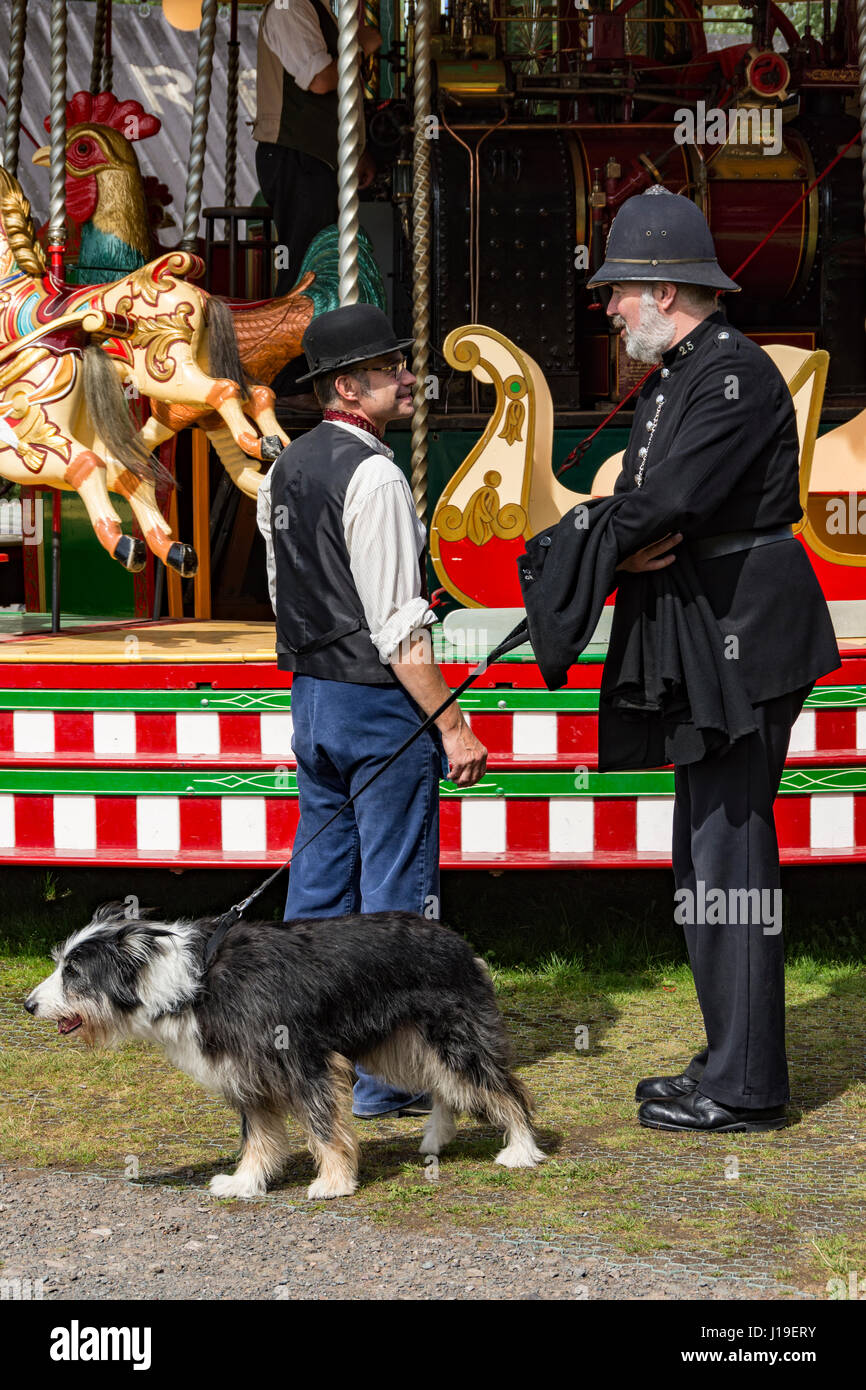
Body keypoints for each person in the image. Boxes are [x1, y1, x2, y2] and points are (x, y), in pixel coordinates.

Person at [584, 189, 840, 1132]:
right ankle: (729, 1054)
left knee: (728, 856)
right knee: (705, 855)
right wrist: (610, 538)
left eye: (618, 291)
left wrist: (580, 543)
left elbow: (669, 502)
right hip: (717, 630)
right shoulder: (690, 370)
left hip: (748, 634)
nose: (608, 308)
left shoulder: (729, 373)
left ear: (661, 290)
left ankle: (745, 1088)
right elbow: (651, 503)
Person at [255, 303, 488, 1118]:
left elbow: (286, 597)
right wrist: (451, 726)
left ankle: (297, 1060)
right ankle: (389, 1080)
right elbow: (398, 629)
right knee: (395, 898)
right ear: (348, 386)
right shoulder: (378, 475)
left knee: (317, 891)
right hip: (380, 706)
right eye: (390, 366)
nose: (405, 375)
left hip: (312, 699)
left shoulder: (284, 469)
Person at [252, 0, 380, 400]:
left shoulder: (326, 12)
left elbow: (343, 91)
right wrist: (359, 43)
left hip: (324, 156)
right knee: (307, 266)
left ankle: (320, 370)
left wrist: (358, 148)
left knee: (329, 263)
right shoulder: (290, 8)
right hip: (297, 154)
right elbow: (321, 79)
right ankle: (290, 379)